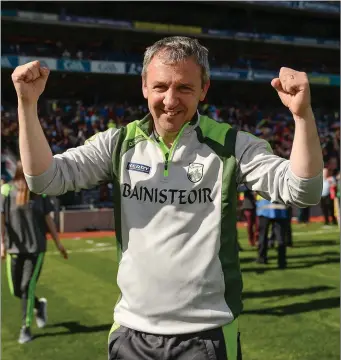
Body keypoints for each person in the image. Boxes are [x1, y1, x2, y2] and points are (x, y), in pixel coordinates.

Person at [11, 36, 323, 359]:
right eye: (160, 87)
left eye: (184, 88)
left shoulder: (232, 146)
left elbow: (304, 189)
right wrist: (27, 105)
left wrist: (302, 117)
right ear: (144, 86)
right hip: (131, 335)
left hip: (205, 338)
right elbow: (44, 178)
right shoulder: (117, 144)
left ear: (204, 89)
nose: (170, 100)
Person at [1, 160, 68, 344]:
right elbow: (2, 216)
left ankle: (26, 328)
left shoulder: (40, 194)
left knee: (26, 288)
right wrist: (1, 243)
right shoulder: (6, 192)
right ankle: (39, 305)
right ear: (23, 172)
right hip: (14, 248)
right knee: (15, 289)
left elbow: (48, 220)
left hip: (36, 248)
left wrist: (58, 244)